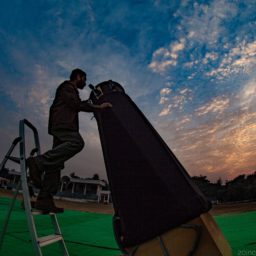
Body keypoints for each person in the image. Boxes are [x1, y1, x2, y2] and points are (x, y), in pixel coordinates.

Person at [26, 69, 112, 213]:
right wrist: (98, 107)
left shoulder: (71, 91)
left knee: (56, 164)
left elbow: (78, 103)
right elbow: (76, 104)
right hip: (63, 124)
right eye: (84, 79)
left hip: (62, 125)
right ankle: (37, 162)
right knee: (77, 142)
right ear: (78, 77)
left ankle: (44, 199)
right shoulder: (66, 87)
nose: (84, 82)